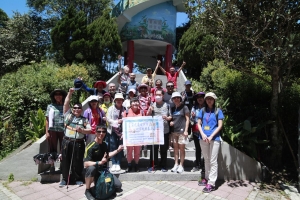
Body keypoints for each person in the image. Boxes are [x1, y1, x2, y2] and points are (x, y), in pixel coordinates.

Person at [60, 88, 91, 187]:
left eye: (79, 108)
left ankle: (78, 178)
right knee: (65, 161)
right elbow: (66, 104)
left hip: (79, 142)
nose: (76, 109)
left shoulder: (84, 119)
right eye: (75, 108)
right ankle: (65, 179)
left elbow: (89, 130)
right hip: (67, 141)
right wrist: (69, 93)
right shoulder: (68, 115)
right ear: (72, 109)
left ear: (81, 110)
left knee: (77, 161)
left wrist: (82, 130)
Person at [84, 125, 124, 200]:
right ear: (95, 132)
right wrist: (99, 162)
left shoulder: (105, 144)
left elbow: (107, 156)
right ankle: (88, 190)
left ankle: (102, 188)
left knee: (118, 185)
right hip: (93, 172)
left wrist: (118, 150)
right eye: (99, 131)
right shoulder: (90, 146)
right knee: (91, 168)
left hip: (103, 171)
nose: (101, 133)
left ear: (106, 133)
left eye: (103, 132)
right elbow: (85, 164)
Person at [197, 92, 224, 193]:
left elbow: (220, 125)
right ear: (205, 100)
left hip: (214, 138)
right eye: (207, 98)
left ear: (214, 100)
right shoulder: (202, 110)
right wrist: (203, 134)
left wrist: (212, 135)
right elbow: (199, 124)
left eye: (211, 99)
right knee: (206, 159)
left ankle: (211, 183)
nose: (209, 100)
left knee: (213, 161)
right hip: (203, 138)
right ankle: (207, 178)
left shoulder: (218, 111)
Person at [147, 89, 172, 172]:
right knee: (154, 149)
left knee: (164, 149)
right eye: (156, 94)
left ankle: (163, 165)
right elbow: (148, 116)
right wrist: (150, 110)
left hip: (164, 130)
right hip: (155, 131)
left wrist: (167, 118)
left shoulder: (167, 105)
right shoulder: (152, 105)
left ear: (163, 95)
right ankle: (153, 165)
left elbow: (170, 117)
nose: (158, 96)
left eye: (159, 94)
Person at [45, 89, 67, 172]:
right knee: (52, 148)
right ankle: (52, 165)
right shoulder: (50, 106)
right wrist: (46, 132)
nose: (58, 96)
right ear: (54, 97)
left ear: (62, 96)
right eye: (56, 94)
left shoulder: (66, 106)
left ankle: (62, 164)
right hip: (52, 130)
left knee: (63, 148)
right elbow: (47, 119)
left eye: (60, 94)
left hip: (63, 130)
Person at [122, 97, 145, 172]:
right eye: (133, 102)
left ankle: (136, 165)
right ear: (130, 104)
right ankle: (129, 165)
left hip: (138, 135)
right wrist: (123, 133)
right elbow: (123, 124)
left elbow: (144, 122)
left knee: (137, 151)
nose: (135, 103)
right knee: (129, 150)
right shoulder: (126, 112)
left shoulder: (141, 112)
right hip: (129, 135)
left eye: (136, 101)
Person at [169, 92, 190, 174]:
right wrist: (171, 122)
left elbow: (187, 119)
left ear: (180, 98)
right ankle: (176, 164)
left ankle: (181, 165)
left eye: (178, 97)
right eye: (174, 98)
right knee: (175, 149)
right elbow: (173, 118)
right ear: (172, 99)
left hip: (182, 132)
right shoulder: (173, 108)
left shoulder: (184, 107)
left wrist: (186, 130)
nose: (176, 99)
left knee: (181, 149)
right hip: (174, 131)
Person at [106, 93, 126, 172]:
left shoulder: (125, 109)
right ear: (114, 100)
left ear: (122, 100)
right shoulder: (111, 108)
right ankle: (114, 163)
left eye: (120, 99)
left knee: (120, 147)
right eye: (117, 99)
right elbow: (108, 119)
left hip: (122, 131)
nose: (119, 101)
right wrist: (116, 122)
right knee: (113, 146)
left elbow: (127, 119)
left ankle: (118, 163)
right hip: (112, 130)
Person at [190, 92, 206, 175]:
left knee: (205, 149)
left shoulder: (207, 107)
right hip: (196, 131)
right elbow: (192, 120)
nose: (200, 99)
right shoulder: (194, 108)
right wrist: (192, 117)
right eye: (198, 97)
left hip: (205, 132)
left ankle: (204, 165)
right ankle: (197, 164)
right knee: (197, 148)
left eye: (201, 97)